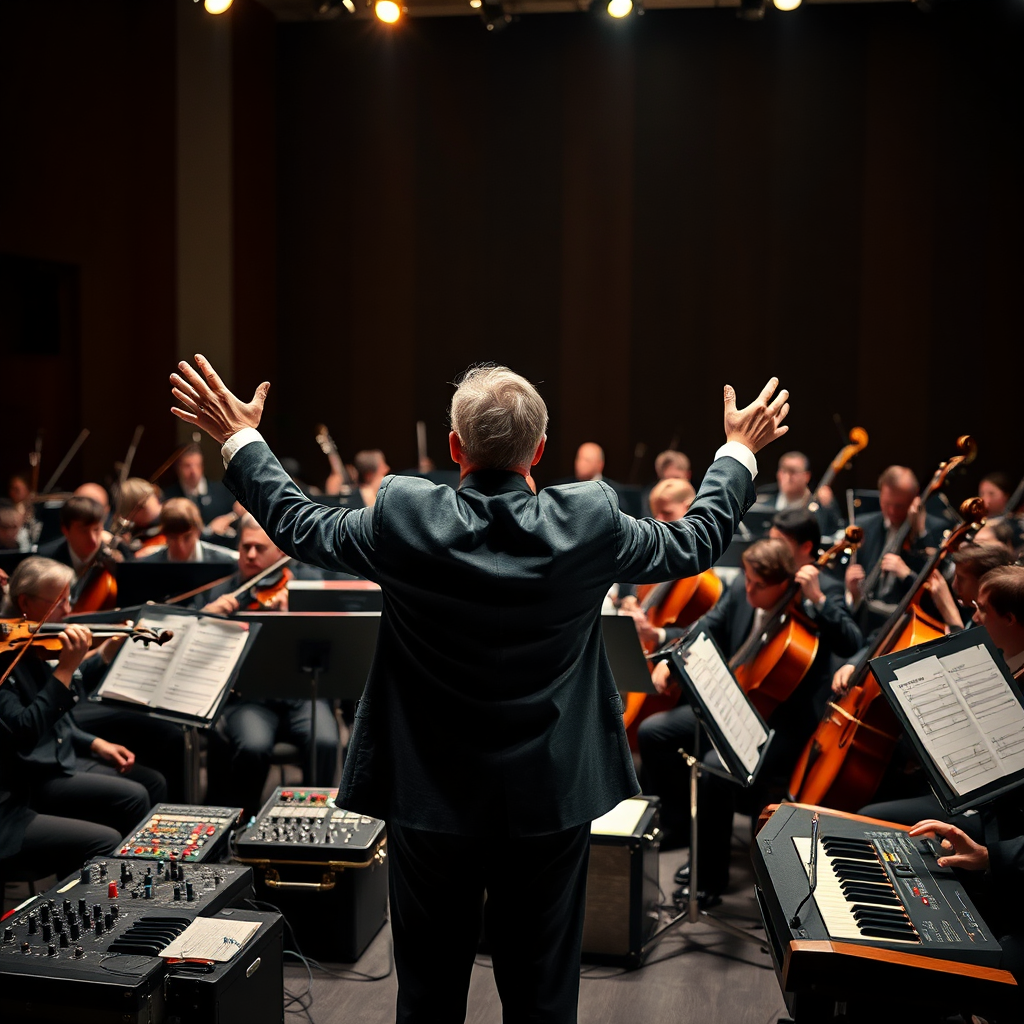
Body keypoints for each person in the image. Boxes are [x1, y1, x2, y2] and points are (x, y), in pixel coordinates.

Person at [169, 354, 789, 1024]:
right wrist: (738, 450)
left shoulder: (404, 514)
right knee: (543, 993)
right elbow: (696, 541)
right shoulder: (591, 519)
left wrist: (239, 437)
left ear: (454, 447)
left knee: (429, 993)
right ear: (541, 451)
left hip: (430, 797)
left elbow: (296, 523)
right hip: (550, 797)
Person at [637, 530, 862, 902]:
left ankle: (710, 879)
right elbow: (707, 625)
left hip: (779, 724)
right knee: (652, 733)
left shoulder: (817, 599)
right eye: (748, 579)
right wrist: (672, 663)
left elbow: (852, 642)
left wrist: (818, 599)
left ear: (783, 584)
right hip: (732, 703)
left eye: (758, 586)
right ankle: (678, 827)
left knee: (714, 767)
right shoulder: (744, 589)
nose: (748, 590)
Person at [0, 558, 165, 838]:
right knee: (135, 795)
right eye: (59, 602)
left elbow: (63, 699)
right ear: (25, 603)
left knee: (154, 781)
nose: (68, 610)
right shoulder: (8, 656)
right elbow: (27, 728)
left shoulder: (36, 642)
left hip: (62, 752)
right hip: (36, 773)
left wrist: (95, 742)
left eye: (68, 599)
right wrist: (65, 667)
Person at [201, 515, 339, 822]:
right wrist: (208, 618)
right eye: (245, 547)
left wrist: (296, 612)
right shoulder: (222, 594)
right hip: (250, 698)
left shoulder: (305, 588)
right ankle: (245, 824)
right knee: (253, 746)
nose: (250, 555)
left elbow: (332, 637)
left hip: (303, 695)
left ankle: (316, 822)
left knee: (326, 742)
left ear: (280, 553)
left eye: (259, 548)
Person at [136, 497, 238, 565]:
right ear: (165, 535)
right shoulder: (147, 565)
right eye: (173, 538)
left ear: (198, 531)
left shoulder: (225, 562)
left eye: (187, 537)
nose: (181, 547)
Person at [161, 442, 236, 527]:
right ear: (178, 468)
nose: (193, 472)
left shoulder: (222, 491)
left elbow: (236, 512)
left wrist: (229, 518)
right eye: (187, 466)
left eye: (197, 465)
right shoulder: (169, 497)